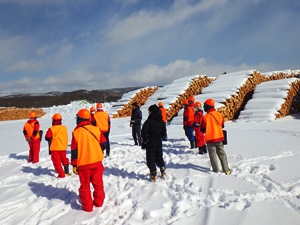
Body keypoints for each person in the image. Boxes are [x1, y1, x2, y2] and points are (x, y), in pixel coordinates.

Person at [71, 108, 107, 212]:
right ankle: (99, 202)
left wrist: (74, 164)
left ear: (79, 119)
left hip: (83, 165)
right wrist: (98, 150)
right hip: (97, 162)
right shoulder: (96, 129)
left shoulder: (76, 132)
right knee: (98, 183)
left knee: (85, 186)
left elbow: (74, 151)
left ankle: (87, 207)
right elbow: (104, 143)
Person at [201, 99, 230, 175]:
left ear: (207, 106)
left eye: (205, 106)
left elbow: (202, 130)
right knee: (222, 154)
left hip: (210, 139)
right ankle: (226, 170)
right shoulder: (219, 114)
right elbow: (222, 125)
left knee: (212, 155)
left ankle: (215, 170)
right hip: (219, 138)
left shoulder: (205, 117)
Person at [141, 104, 167, 182]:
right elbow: (164, 133)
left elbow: (143, 132)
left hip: (150, 142)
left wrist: (146, 140)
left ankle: (153, 174)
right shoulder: (161, 121)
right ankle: (163, 170)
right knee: (159, 157)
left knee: (151, 159)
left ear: (151, 112)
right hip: (158, 142)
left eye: (149, 111)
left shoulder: (148, 121)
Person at [45, 113, 70, 178]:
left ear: (53, 120)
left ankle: (61, 175)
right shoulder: (64, 128)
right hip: (63, 147)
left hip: (55, 148)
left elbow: (47, 137)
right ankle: (66, 171)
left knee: (57, 162)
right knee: (64, 159)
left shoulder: (51, 129)